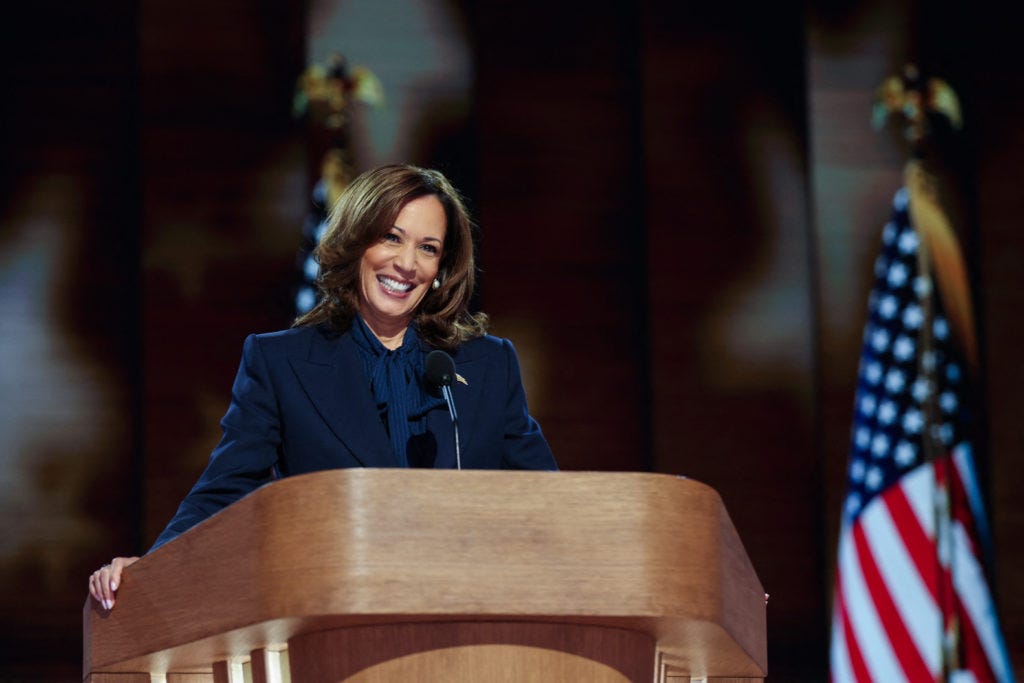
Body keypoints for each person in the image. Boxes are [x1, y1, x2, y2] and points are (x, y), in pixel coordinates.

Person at [89, 164, 557, 610]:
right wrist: (151, 569)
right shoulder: (282, 363)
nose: (407, 263)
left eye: (428, 248)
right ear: (356, 242)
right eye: (390, 238)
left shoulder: (487, 365)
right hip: (337, 619)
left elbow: (550, 501)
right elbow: (224, 490)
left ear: (441, 269)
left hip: (467, 617)